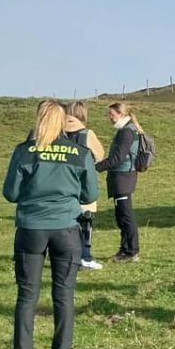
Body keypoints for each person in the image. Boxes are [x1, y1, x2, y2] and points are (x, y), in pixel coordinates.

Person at [1, 99, 98, 349]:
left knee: (27, 294)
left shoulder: (24, 152)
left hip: (31, 229)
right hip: (66, 229)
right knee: (64, 295)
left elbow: (10, 193)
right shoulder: (79, 153)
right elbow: (90, 194)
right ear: (63, 121)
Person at [61, 101, 107, 270]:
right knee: (85, 222)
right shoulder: (86, 134)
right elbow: (99, 155)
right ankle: (84, 256)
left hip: (63, 182)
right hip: (82, 182)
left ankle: (65, 255)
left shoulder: (59, 132)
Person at [98, 101, 143, 262]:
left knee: (125, 216)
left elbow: (118, 158)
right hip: (122, 177)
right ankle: (125, 249)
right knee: (121, 215)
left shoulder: (126, 132)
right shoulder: (126, 130)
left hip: (123, 177)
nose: (109, 117)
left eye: (112, 114)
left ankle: (131, 251)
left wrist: (97, 166)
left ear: (121, 114)